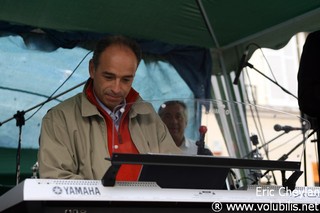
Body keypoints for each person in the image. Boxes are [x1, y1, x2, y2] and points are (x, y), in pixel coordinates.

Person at [37, 35, 181, 181]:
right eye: (109, 77)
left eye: (126, 79)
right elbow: (55, 182)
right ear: (92, 69)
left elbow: (174, 170)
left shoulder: (148, 115)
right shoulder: (59, 119)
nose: (117, 89)